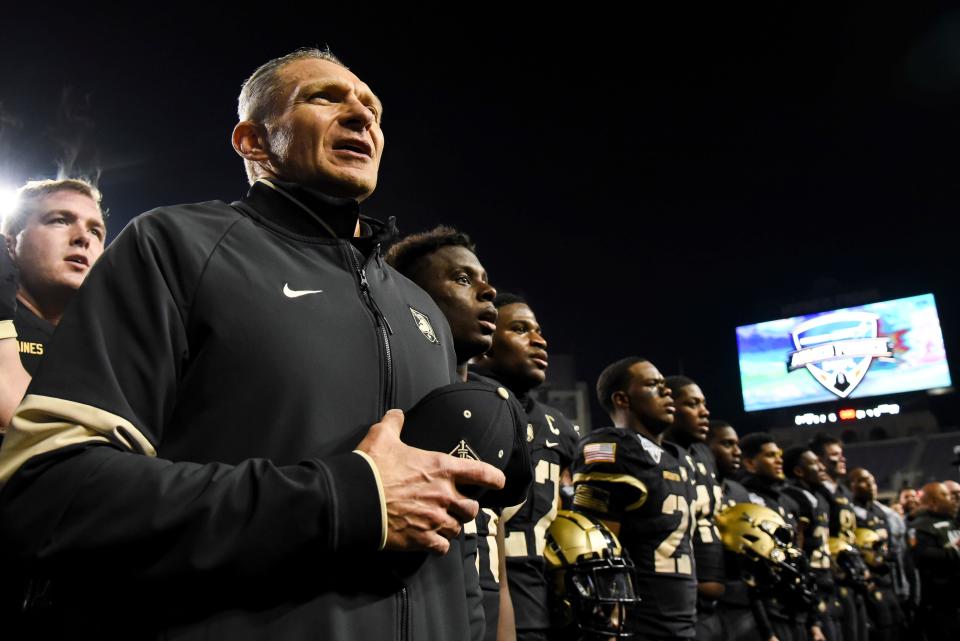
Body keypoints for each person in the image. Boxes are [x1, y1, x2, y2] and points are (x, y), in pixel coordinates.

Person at [0, 48, 506, 640]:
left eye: (372, 108)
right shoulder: (176, 246)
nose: (361, 116)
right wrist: (344, 500)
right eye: (325, 98)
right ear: (252, 141)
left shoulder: (423, 313)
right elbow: (51, 494)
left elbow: (449, 533)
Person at [386, 225, 523, 641]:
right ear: (411, 294)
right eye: (463, 279)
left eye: (484, 281)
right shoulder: (388, 403)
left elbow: (492, 539)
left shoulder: (499, 408)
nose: (488, 293)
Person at [471, 292, 580, 641]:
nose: (539, 340)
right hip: (480, 600)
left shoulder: (558, 425)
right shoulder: (463, 405)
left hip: (550, 602)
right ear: (486, 345)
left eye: (538, 330)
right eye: (521, 329)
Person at [571, 356, 698, 641]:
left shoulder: (678, 458)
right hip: (638, 624)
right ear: (622, 399)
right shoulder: (612, 448)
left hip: (684, 618)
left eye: (666, 385)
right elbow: (594, 549)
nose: (667, 392)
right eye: (654, 385)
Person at [0, 178, 106, 430]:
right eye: (60, 220)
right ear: (10, 244)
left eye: (95, 231)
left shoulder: (111, 344)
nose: (83, 238)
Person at [739, 433, 819, 641]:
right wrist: (767, 631)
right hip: (769, 606)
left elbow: (799, 558)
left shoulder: (787, 500)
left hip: (796, 604)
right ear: (750, 462)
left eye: (779, 455)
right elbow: (750, 569)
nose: (778, 460)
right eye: (770, 455)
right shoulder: (745, 499)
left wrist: (814, 621)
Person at [663, 375, 725, 641]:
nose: (704, 411)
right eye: (693, 404)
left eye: (704, 404)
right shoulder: (660, 453)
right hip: (678, 600)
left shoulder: (703, 453)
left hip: (714, 609)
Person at [781, 446, 841, 641]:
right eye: (815, 463)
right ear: (799, 471)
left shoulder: (820, 497)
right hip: (811, 581)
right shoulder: (793, 497)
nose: (822, 467)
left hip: (826, 580)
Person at [811, 433, 867, 641]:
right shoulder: (817, 492)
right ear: (820, 460)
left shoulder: (843, 490)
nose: (842, 459)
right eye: (835, 455)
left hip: (851, 571)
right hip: (832, 575)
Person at [707, 420, 759, 641]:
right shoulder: (692, 485)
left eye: (737, 445)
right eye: (727, 444)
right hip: (705, 597)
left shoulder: (738, 491)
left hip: (742, 595)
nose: (737, 452)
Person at [849, 467, 904, 641]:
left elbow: (892, 547)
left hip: (887, 581)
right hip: (869, 583)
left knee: (898, 627)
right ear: (851, 486)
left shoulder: (880, 511)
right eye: (863, 481)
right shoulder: (849, 513)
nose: (871, 485)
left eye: (872, 481)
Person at [908, 482, 960, 641]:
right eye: (945, 495)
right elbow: (923, 556)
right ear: (932, 502)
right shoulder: (920, 526)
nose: (951, 499)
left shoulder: (953, 522)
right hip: (938, 602)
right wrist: (955, 551)